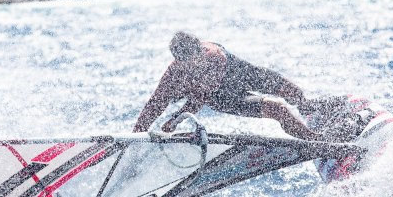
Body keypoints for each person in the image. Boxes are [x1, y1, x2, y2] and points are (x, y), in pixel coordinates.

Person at [133, 32, 321, 139]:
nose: (193, 65)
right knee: (279, 109)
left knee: (293, 91)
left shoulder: (214, 55)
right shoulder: (173, 75)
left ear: (200, 50)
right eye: (187, 64)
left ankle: (309, 111)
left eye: (196, 59)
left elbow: (198, 100)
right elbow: (154, 105)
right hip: (225, 99)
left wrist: (174, 121)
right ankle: (314, 141)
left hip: (245, 76)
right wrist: (135, 136)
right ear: (179, 61)